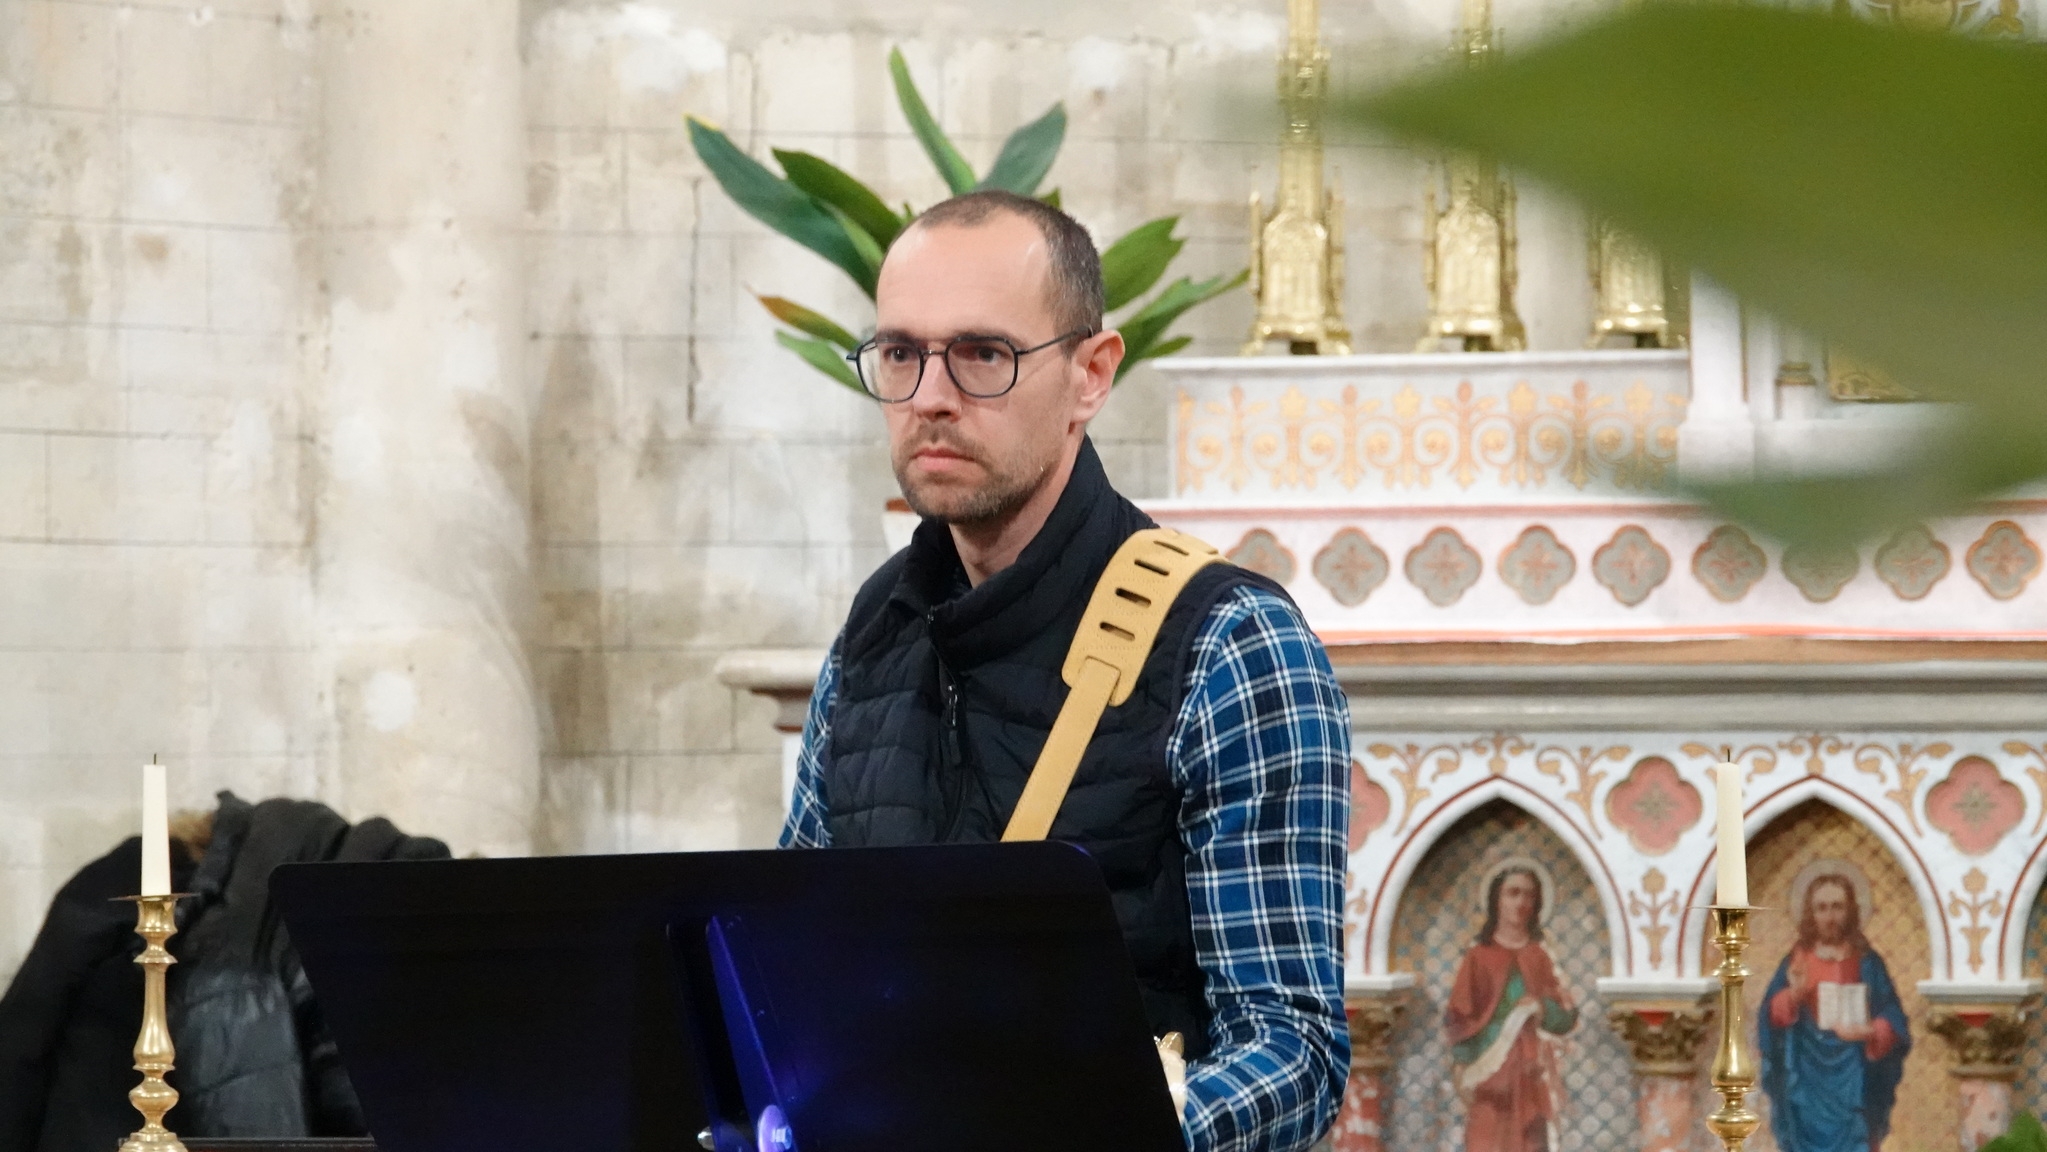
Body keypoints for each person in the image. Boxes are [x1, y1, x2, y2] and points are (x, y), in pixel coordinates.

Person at [778, 189, 1351, 1151]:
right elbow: (790, 971)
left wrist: (1101, 1130)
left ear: (1090, 375)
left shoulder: (1227, 642)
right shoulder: (874, 631)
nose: (930, 396)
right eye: (901, 354)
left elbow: (1293, 1050)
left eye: (982, 354)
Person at [1758, 873, 1910, 1152]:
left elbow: (1894, 1015)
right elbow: (1768, 1019)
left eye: (1837, 907)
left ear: (1850, 910)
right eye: (1822, 908)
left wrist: (1870, 1031)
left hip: (1856, 1075)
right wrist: (1794, 994)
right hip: (1807, 1079)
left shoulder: (1868, 962)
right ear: (1811, 913)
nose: (1830, 917)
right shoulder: (1797, 960)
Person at [1444, 865, 1579, 1152]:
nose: (1521, 903)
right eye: (1513, 893)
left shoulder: (1539, 956)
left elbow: (1566, 1016)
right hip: (1489, 1079)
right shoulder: (1479, 957)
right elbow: (1458, 1017)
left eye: (1529, 895)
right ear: (1497, 900)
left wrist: (1541, 1008)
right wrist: (1467, 1062)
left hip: (1531, 1076)